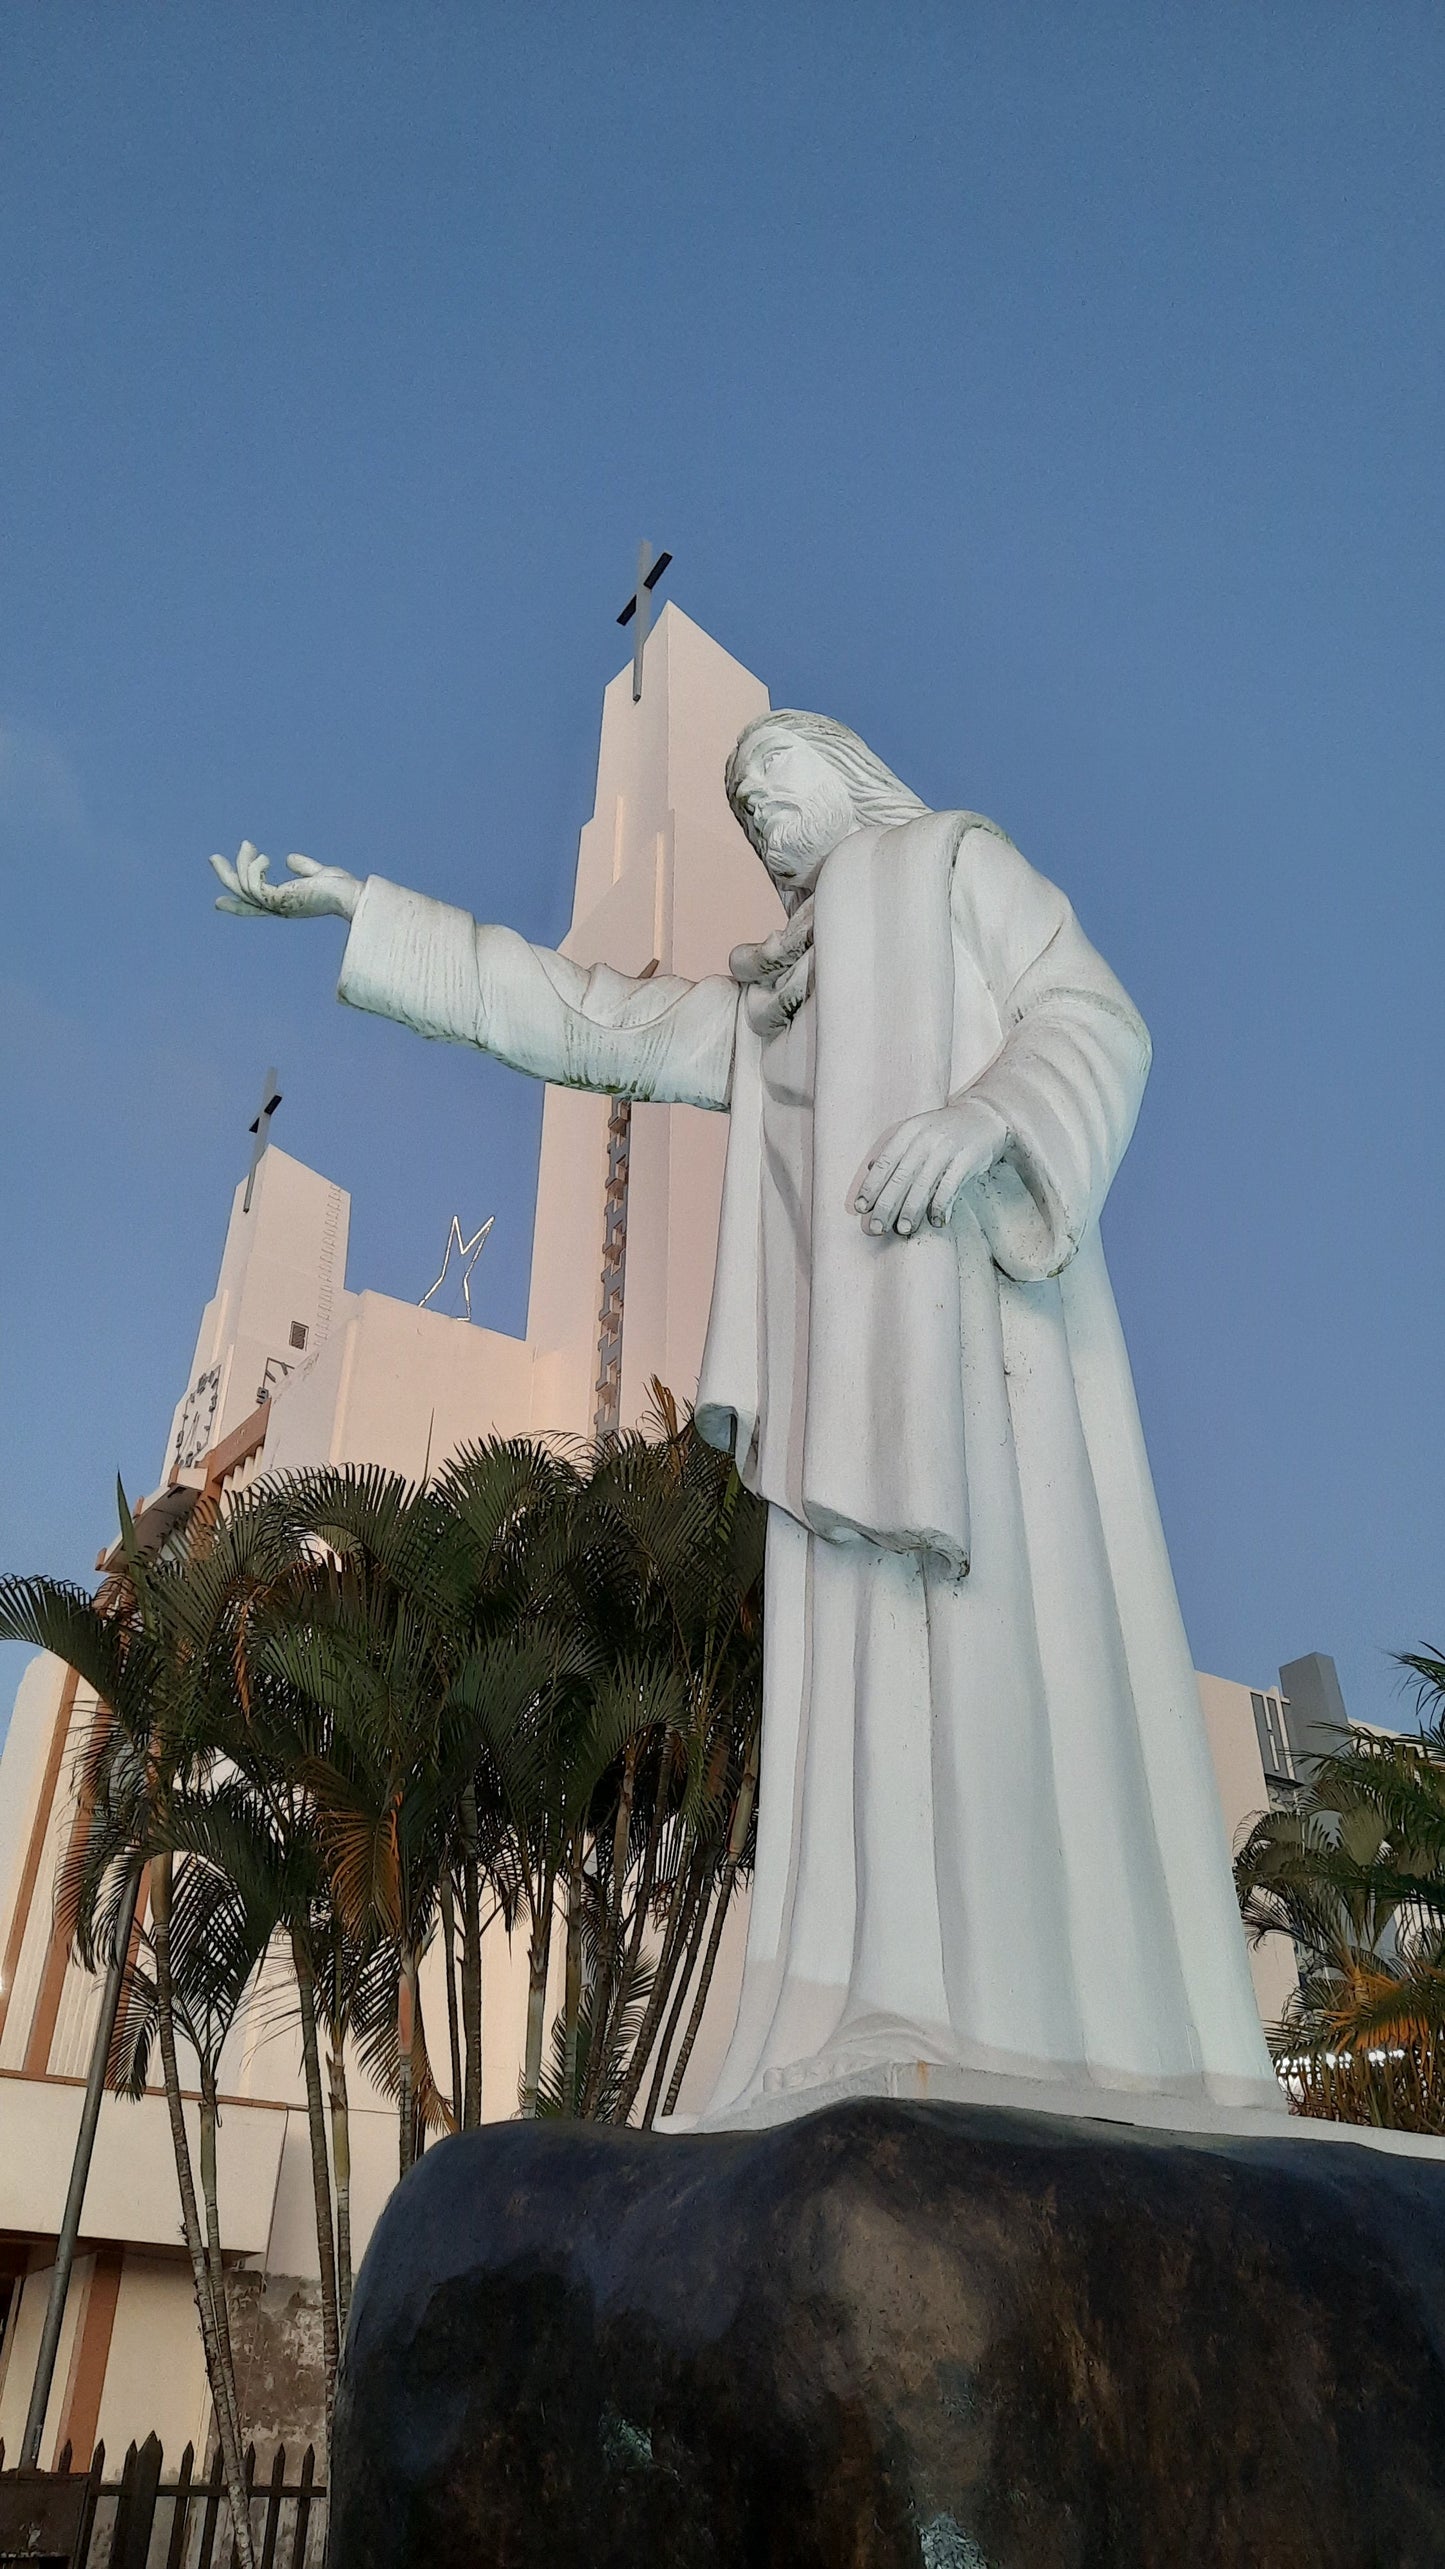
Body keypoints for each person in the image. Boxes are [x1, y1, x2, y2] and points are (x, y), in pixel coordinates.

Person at [213, 709, 1280, 2124]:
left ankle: (1056, 2014)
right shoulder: (771, 1012)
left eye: (775, 778)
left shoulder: (952, 866)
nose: (760, 812)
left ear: (850, 773)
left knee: (1008, 1661)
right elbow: (585, 1016)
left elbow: (1093, 1017)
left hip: (983, 1360)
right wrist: (376, 918)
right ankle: (886, 1988)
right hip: (842, 1389)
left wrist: (986, 1117)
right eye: (741, 803)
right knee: (865, 1684)